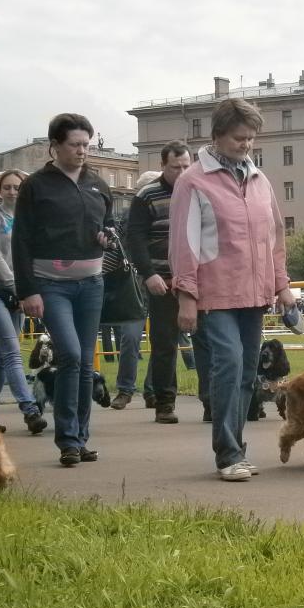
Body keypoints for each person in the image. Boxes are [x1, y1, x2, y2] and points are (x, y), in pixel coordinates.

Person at [169, 98, 294, 481]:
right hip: (214, 293)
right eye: (240, 137)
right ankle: (227, 455)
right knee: (229, 364)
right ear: (218, 134)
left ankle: (236, 448)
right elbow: (184, 243)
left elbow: (274, 236)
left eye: (251, 138)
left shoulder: (259, 180)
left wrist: (282, 286)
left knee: (245, 373)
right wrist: (186, 296)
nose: (246, 144)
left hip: (254, 294)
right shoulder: (193, 181)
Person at [13, 113, 113, 467]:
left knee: (85, 361)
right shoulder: (36, 186)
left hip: (92, 284)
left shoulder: (97, 184)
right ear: (55, 146)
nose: (82, 151)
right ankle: (67, 438)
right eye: (75, 144)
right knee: (69, 354)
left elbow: (109, 223)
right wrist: (27, 291)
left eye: (87, 144)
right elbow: (21, 239)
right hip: (51, 285)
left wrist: (107, 235)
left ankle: (79, 439)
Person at [0, 168, 48, 435]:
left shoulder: (30, 219)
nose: (12, 192)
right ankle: (29, 409)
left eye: (18, 187)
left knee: (2, 357)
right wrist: (18, 288)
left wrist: (27, 289)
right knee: (12, 350)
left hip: (18, 294)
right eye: (7, 187)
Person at [127, 145, 192, 424]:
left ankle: (212, 402)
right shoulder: (147, 196)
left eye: (187, 166)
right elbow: (135, 238)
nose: (182, 172)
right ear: (163, 166)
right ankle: (165, 404)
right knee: (165, 344)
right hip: (162, 281)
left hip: (196, 280)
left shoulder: (198, 190)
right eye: (176, 167)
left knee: (207, 341)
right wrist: (148, 274)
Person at [101, 218, 146, 410]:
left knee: (164, 342)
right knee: (130, 337)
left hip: (157, 284)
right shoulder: (119, 230)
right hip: (130, 293)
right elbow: (105, 264)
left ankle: (153, 390)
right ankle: (125, 390)